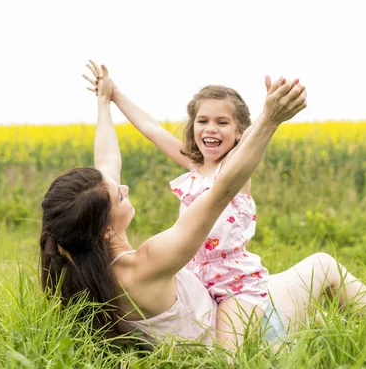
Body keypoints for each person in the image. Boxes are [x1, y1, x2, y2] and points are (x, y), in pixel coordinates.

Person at [40, 60, 366, 354]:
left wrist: (108, 99)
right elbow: (213, 178)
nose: (125, 187)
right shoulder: (151, 258)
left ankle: (356, 331)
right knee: (317, 269)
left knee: (309, 289)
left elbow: (111, 159)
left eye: (222, 123)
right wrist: (270, 118)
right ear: (106, 227)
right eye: (120, 196)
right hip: (208, 287)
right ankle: (343, 333)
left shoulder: (92, 269)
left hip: (233, 283)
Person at [82, 66, 301, 350]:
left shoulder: (235, 167)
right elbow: (152, 129)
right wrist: (114, 95)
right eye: (203, 121)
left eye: (223, 122)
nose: (211, 128)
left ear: (238, 133)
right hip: (195, 274)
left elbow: (255, 137)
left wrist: (269, 111)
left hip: (235, 283)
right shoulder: (195, 165)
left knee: (229, 354)